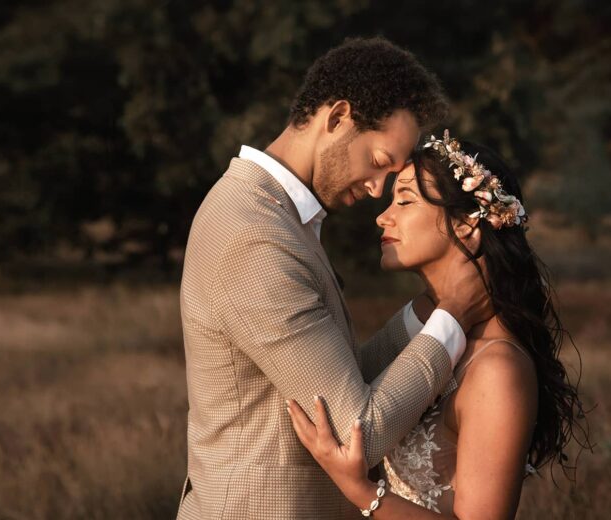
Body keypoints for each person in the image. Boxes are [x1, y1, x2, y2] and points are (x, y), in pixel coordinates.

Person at [177, 39, 493, 519]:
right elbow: (355, 430)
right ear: (338, 117)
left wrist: (431, 307)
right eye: (380, 162)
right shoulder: (254, 236)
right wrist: (452, 317)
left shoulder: (277, 217)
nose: (376, 188)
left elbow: (335, 379)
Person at [286, 131, 587, 518]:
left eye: (405, 200)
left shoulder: (498, 368)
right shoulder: (430, 333)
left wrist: (363, 492)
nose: (383, 216)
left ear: (465, 225)